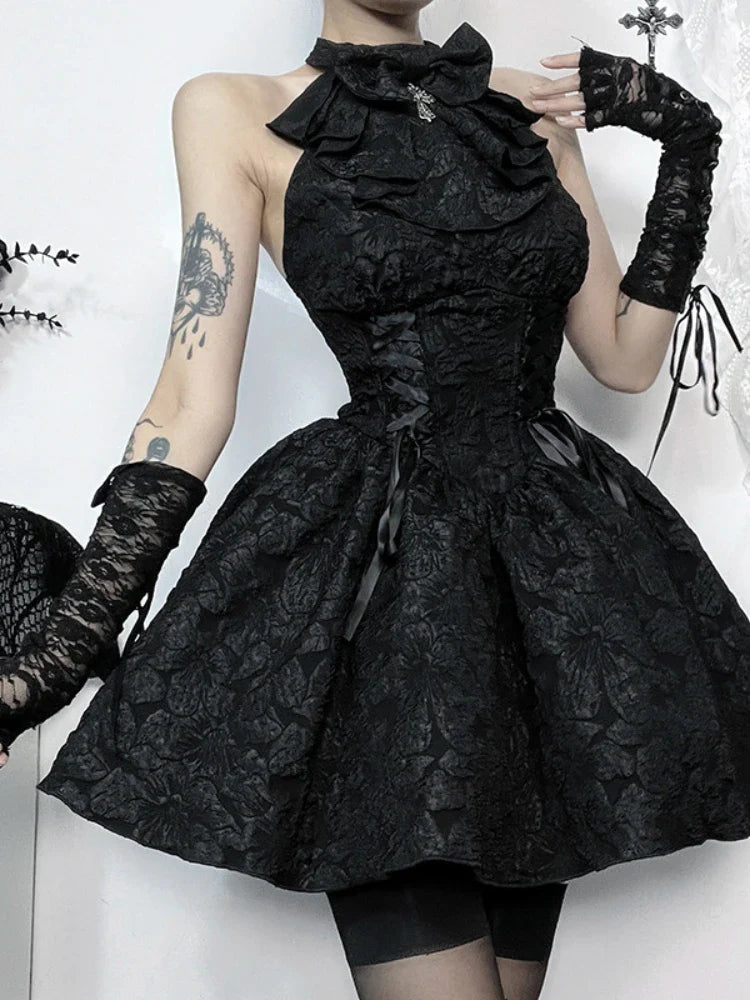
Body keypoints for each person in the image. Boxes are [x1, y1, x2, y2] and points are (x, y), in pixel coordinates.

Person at [2, 3, 749, 998]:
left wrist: (689, 142)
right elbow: (190, 399)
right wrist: (57, 654)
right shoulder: (232, 109)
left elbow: (625, 357)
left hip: (551, 596)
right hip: (384, 597)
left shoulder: (529, 113)